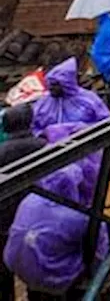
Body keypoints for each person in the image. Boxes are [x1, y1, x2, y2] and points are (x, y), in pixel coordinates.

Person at [3, 164, 107, 298]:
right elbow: (100, 254)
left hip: (18, 269)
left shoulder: (30, 200)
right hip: (53, 278)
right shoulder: (79, 217)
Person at [0, 129, 44, 301]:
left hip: (7, 213)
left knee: (5, 265)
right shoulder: (42, 145)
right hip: (36, 210)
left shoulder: (3, 150)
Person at [31, 59, 110, 134]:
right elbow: (33, 126)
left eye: (55, 85)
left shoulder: (89, 99)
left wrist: (84, 128)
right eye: (50, 84)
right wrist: (45, 133)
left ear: (66, 84)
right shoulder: (43, 102)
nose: (51, 88)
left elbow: (105, 122)